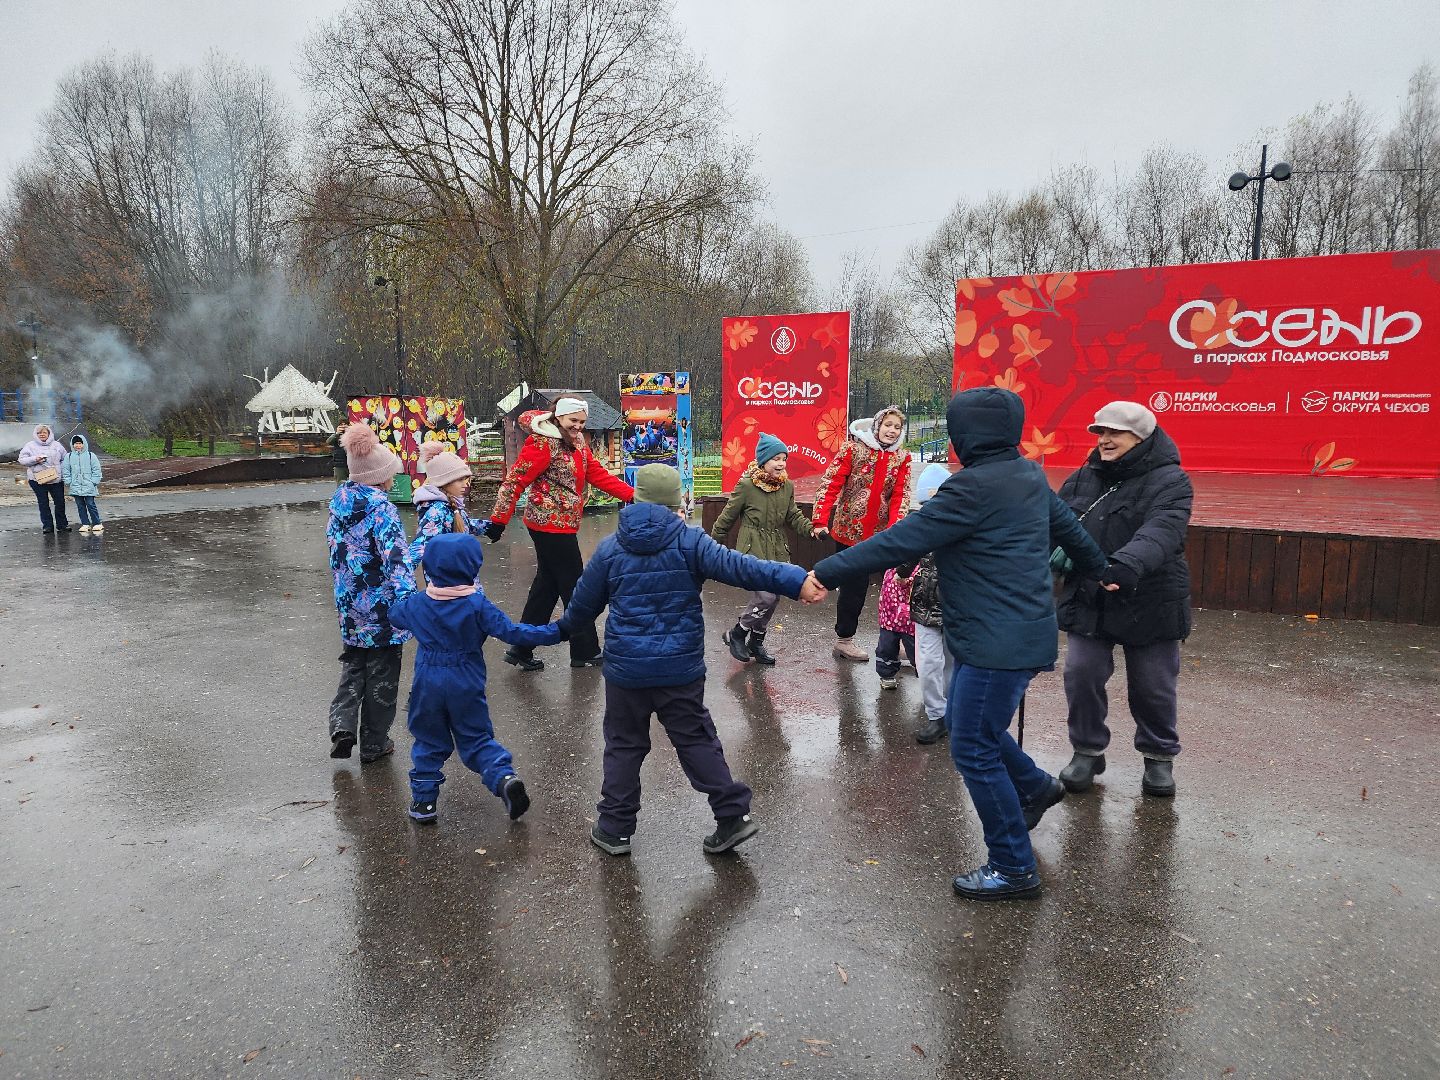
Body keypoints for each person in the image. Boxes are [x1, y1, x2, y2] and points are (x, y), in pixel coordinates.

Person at [808, 388, 1106, 901]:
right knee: (981, 729)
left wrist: (825, 572)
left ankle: (1014, 866)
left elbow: (899, 540)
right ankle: (1036, 788)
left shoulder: (969, 490)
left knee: (970, 745)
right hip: (1006, 634)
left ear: (967, 435)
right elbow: (1071, 533)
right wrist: (1103, 569)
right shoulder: (1028, 475)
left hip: (997, 644)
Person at [559, 464, 824, 857]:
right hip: (678, 670)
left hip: (626, 672)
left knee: (624, 745)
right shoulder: (691, 542)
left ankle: (614, 828)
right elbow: (743, 567)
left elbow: (581, 609)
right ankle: (731, 816)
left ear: (636, 498)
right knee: (696, 739)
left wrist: (548, 632)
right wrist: (795, 578)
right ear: (677, 501)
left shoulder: (611, 548)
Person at [1055, 401, 1193, 799]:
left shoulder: (1171, 480)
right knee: (1081, 673)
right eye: (1101, 432)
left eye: (1116, 432)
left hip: (1149, 596)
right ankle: (1087, 749)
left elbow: (1162, 531)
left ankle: (1158, 757)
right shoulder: (1084, 476)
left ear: (1143, 437)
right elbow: (1055, 522)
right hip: (1091, 594)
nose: (1106, 440)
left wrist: (1126, 564)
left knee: (1152, 686)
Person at [389, 533, 561, 823]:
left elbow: (395, 615)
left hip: (427, 681)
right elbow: (513, 632)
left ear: (428, 568)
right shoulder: (477, 605)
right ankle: (503, 778)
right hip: (465, 679)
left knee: (429, 740)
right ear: (473, 568)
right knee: (476, 738)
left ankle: (424, 802)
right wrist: (558, 631)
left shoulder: (418, 604)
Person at [486, 396, 634, 672]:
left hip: (563, 524)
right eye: (572, 421)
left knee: (547, 587)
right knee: (575, 587)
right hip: (547, 526)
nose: (577, 426)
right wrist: (498, 520)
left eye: (581, 422)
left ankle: (521, 647)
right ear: (558, 417)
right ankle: (585, 650)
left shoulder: (577, 443)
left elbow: (598, 475)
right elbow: (515, 480)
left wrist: (634, 495)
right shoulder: (543, 443)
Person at [326, 423, 414, 764]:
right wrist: (409, 604)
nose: (393, 480)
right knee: (383, 677)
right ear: (379, 477)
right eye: (391, 474)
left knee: (353, 665)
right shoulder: (383, 509)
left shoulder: (338, 504)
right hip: (382, 611)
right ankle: (375, 743)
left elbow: (338, 555)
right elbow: (397, 561)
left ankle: (342, 724)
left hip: (350, 606)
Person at [811, 406, 911, 661]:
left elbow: (901, 496)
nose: (892, 430)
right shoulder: (853, 450)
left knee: (896, 586)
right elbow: (831, 483)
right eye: (888, 425)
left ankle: (895, 641)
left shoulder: (902, 458)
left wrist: (896, 531)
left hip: (884, 537)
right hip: (850, 534)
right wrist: (820, 520)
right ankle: (844, 640)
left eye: (897, 427)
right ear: (877, 426)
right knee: (853, 590)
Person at [710, 432, 815, 665]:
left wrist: (810, 529)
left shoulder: (786, 486)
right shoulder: (746, 485)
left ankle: (756, 643)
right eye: (775, 459)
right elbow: (727, 517)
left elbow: (793, 516)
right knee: (765, 597)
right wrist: (710, 548)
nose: (781, 463)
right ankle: (737, 633)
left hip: (777, 549)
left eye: (783, 459)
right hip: (753, 549)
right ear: (763, 461)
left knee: (774, 598)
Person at [906, 463, 955, 745]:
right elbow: (908, 549)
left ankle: (950, 711)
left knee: (951, 661)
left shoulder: (962, 523)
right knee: (928, 663)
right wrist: (902, 572)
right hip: (925, 604)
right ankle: (936, 714)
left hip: (955, 604)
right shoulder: (920, 523)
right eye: (926, 503)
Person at [408, 440, 489, 569]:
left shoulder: (452, 505)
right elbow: (419, 548)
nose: (465, 484)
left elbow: (462, 524)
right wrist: (400, 581)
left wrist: (489, 527)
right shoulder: (437, 511)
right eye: (460, 480)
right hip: (446, 582)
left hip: (462, 576)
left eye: (466, 479)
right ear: (444, 482)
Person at [19, 424, 69, 534]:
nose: (42, 434)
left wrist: (61, 472)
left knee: (60, 502)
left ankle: (62, 525)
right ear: (36, 434)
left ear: (49, 434)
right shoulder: (30, 445)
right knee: (43, 503)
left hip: (55, 479)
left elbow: (65, 459)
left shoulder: (57, 445)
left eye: (44, 432)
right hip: (37, 479)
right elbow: (22, 460)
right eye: (39, 433)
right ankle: (47, 526)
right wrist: (35, 459)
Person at [874, 567, 917, 690]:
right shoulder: (890, 563)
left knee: (917, 649)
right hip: (890, 611)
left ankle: (926, 678)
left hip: (912, 617)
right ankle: (886, 675)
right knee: (887, 646)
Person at [62, 434, 104, 535]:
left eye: (80, 443)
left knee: (90, 504)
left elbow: (96, 469)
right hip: (75, 485)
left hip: (89, 485)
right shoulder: (69, 456)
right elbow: (66, 470)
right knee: (80, 505)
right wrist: (68, 481)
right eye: (76, 443)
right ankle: (85, 523)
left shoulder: (91, 455)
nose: (78, 446)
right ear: (72, 445)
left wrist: (94, 481)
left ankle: (97, 522)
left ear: (84, 444)